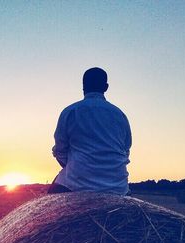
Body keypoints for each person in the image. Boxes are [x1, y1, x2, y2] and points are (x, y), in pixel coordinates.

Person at [48, 67, 132, 195]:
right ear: (106, 87)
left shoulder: (70, 111)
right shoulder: (120, 115)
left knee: (49, 204)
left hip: (76, 184)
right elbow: (126, 150)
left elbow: (60, 150)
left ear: (83, 86)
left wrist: (72, 165)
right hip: (118, 187)